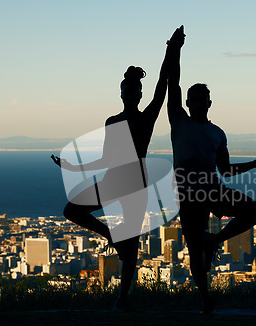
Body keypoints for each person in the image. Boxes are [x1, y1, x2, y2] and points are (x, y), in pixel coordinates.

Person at [51, 26, 186, 311]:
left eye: (136, 89)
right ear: (122, 92)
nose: (132, 92)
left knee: (132, 244)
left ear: (138, 93)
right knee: (72, 210)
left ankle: (122, 299)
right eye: (128, 88)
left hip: (135, 183)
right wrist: (74, 166)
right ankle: (111, 237)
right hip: (113, 179)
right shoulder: (112, 121)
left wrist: (171, 50)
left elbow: (163, 80)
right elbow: (104, 158)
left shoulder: (147, 117)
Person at [166, 26, 256, 313]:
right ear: (188, 103)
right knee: (193, 250)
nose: (199, 102)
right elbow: (173, 83)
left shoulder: (218, 133)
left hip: (214, 190)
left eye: (203, 98)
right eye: (194, 98)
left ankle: (213, 241)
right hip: (189, 196)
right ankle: (205, 298)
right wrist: (175, 49)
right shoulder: (178, 121)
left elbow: (225, 170)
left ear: (209, 103)